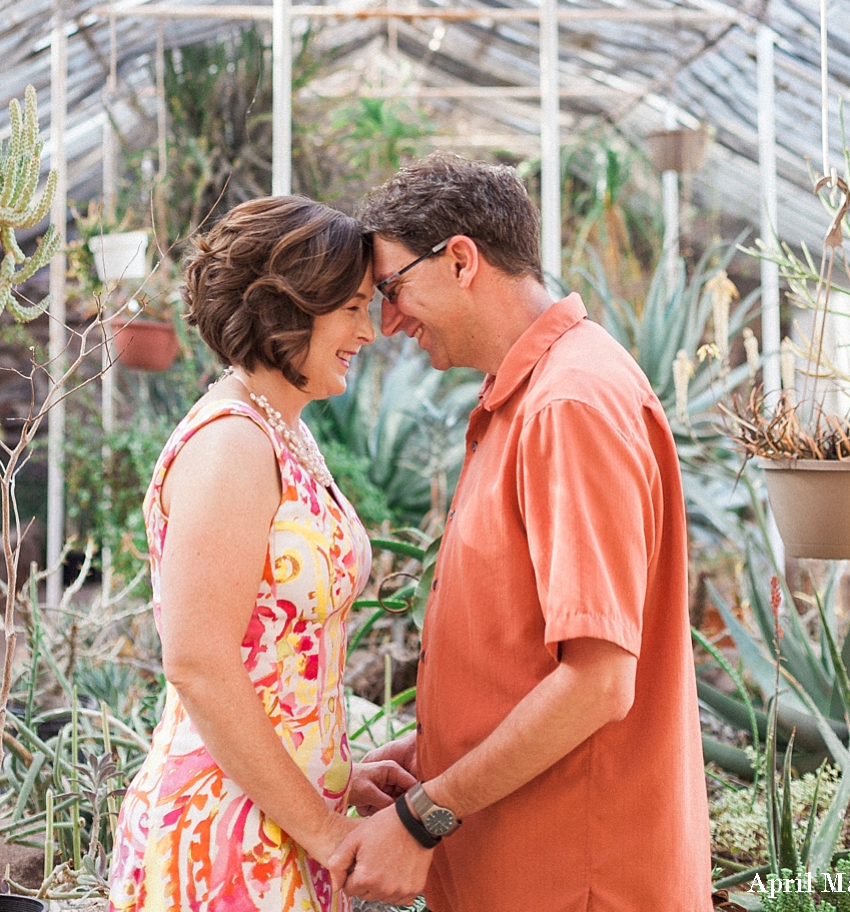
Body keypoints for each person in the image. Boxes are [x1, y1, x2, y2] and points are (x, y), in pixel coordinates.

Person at [329, 155, 712, 912]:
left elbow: (597, 681)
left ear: (461, 258)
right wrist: (433, 752)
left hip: (575, 877)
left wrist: (425, 813)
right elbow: (530, 651)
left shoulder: (567, 404)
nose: (389, 323)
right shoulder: (530, 395)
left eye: (392, 289)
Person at [109, 196, 414, 912]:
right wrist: (329, 832)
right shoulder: (230, 444)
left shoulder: (280, 429)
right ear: (290, 308)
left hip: (277, 821)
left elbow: (274, 658)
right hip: (222, 834)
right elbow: (199, 662)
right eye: (351, 308)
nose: (367, 332)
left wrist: (337, 772)